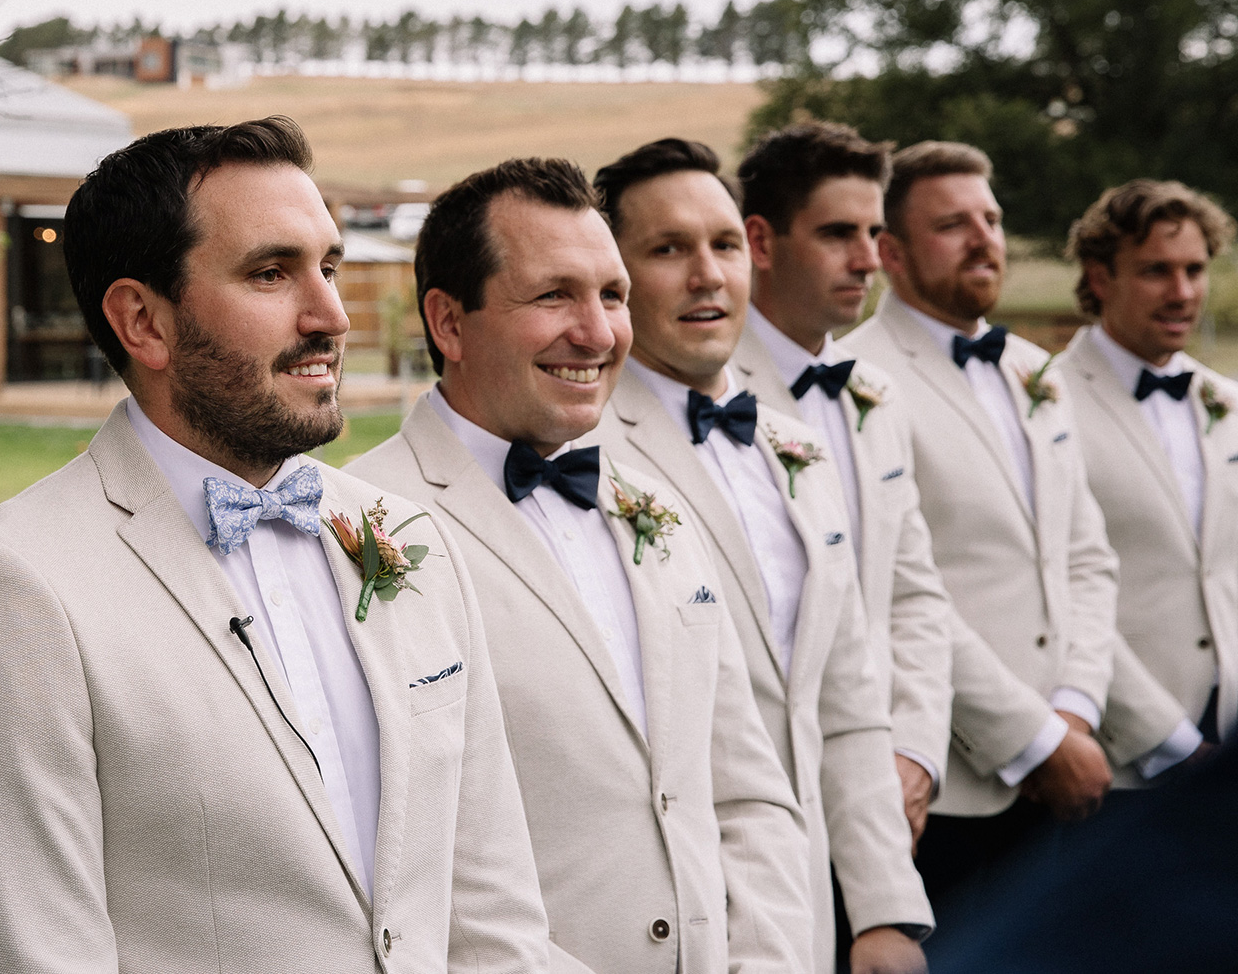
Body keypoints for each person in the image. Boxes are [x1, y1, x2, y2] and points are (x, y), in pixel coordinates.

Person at [0, 117, 564, 973]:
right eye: (271, 273)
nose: (331, 315)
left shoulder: (404, 537)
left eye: (329, 266)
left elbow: (492, 911)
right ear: (143, 321)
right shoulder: (12, 590)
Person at [349, 158, 813, 974]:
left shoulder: (657, 511)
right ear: (449, 323)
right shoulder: (361, 533)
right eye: (555, 295)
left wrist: (767, 961)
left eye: (612, 294)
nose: (598, 333)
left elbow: (744, 788)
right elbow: (392, 853)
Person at [592, 139, 933, 974]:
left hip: (811, 897)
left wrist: (885, 908)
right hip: (667, 913)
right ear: (618, 277)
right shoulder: (583, 455)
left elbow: (847, 694)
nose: (707, 274)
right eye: (668, 249)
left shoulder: (794, 448)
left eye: (724, 245)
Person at [841, 142, 1177, 910]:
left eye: (990, 218)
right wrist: (1031, 738)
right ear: (889, 250)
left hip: (1072, 771)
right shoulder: (854, 385)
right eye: (952, 224)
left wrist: (1076, 711)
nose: (983, 237)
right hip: (949, 787)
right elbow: (900, 595)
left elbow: (1086, 560)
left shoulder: (1037, 371)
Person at [732, 124, 955, 854]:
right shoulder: (704, 404)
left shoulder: (878, 395)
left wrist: (915, 750)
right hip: (764, 804)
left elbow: (914, 592)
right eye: (838, 234)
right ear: (761, 241)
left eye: (874, 232)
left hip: (897, 801)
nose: (869, 259)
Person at [1059, 180, 1237, 771]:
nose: (1183, 293)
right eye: (1156, 271)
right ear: (1100, 276)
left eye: (1195, 269)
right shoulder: (1047, 405)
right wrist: (1168, 741)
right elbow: (1057, 591)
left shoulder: (1227, 402)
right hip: (1117, 754)